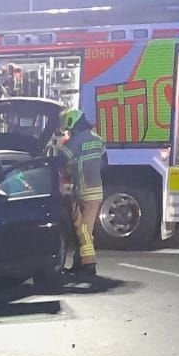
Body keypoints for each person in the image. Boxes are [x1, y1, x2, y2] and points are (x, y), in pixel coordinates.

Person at [54, 106, 107, 284]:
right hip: (95, 191)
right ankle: (79, 263)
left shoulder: (73, 143)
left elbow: (58, 162)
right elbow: (104, 164)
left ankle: (89, 265)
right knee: (83, 229)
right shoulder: (98, 140)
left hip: (82, 192)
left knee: (83, 229)